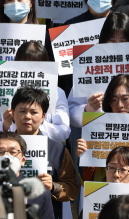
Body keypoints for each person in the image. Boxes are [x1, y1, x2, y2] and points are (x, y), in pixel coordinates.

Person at [9, 88, 79, 219]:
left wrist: (54, 186)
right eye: (22, 111)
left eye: (34, 112)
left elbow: (72, 189)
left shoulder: (58, 150)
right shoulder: (3, 146)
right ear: (12, 113)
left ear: (43, 117)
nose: (27, 116)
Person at [3, 41, 70, 142]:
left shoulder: (57, 93)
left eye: (37, 65)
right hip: (10, 150)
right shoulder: (4, 91)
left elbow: (64, 131)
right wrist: (5, 125)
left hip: (43, 150)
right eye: (26, 64)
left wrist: (37, 124)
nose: (30, 71)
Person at [0, 132, 54, 219]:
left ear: (23, 160)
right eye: (0, 152)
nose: (6, 157)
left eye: (13, 152)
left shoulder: (39, 193)